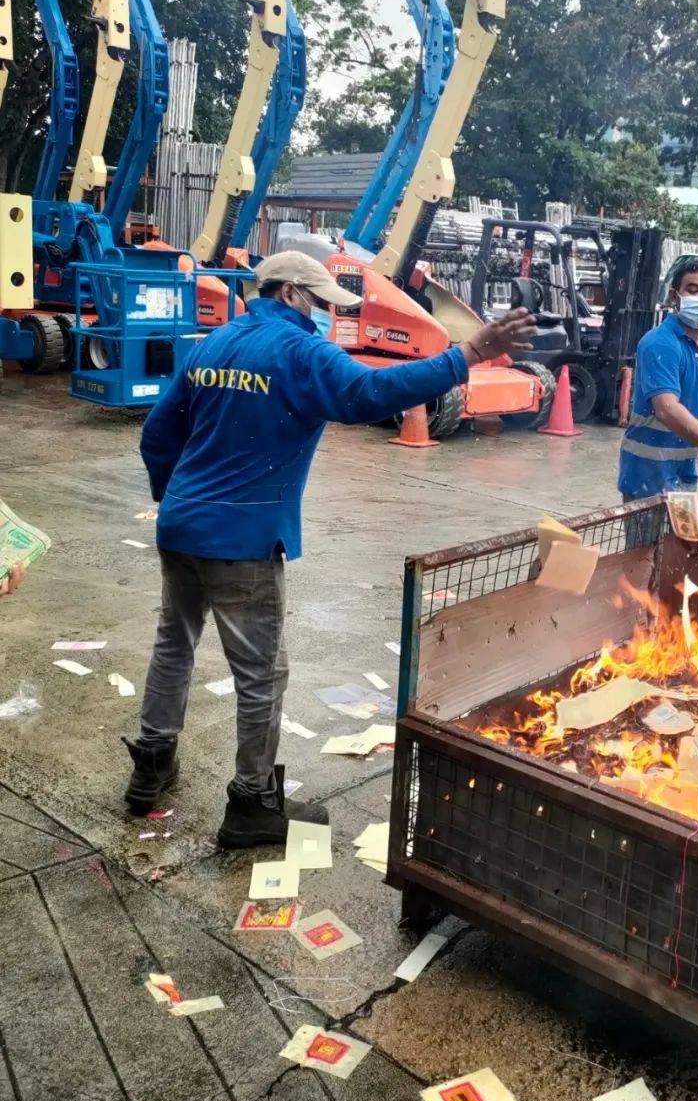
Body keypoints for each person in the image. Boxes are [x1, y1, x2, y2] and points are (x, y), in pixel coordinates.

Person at [125, 250, 535, 848]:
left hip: (182, 528)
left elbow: (157, 434)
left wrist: (178, 501)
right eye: (319, 304)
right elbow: (371, 393)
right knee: (261, 674)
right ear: (292, 294)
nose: (323, 316)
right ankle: (253, 804)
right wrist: (466, 355)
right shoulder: (297, 351)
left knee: (174, 644)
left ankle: (150, 769)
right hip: (242, 539)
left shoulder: (212, 345)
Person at [618, 257, 698, 515]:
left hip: (684, 474)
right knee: (645, 553)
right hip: (647, 475)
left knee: (678, 553)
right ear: (674, 296)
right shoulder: (659, 343)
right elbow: (667, 409)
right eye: (693, 290)